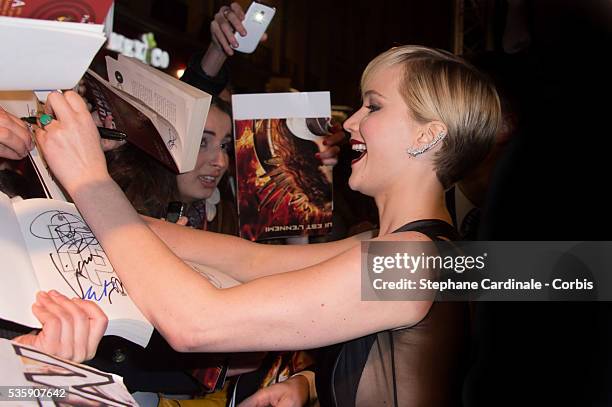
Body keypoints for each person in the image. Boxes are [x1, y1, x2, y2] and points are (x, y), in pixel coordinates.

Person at [35, 44, 500, 406]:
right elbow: (249, 260)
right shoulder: (391, 244)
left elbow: (198, 323)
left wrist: (92, 182)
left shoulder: (410, 261)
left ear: (427, 134)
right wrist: (70, 202)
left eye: (373, 107)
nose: (352, 122)